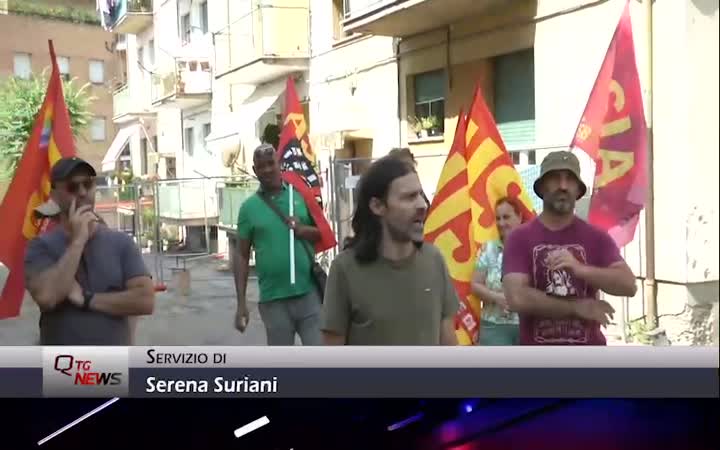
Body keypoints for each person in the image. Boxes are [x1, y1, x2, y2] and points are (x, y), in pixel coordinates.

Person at [502, 151, 637, 345]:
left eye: (570, 180)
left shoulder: (596, 238)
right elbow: (516, 297)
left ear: (578, 189)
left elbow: (628, 285)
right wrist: (576, 307)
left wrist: (580, 269)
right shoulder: (519, 238)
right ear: (542, 187)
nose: (563, 186)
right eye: (555, 178)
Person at [321, 155, 459, 345]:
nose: (422, 205)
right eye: (409, 197)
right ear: (377, 206)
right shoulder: (344, 269)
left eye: (420, 195)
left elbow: (448, 342)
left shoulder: (434, 260)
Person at [24, 157, 155, 345]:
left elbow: (145, 301)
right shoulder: (40, 246)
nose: (83, 192)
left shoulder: (121, 243)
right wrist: (78, 241)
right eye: (72, 187)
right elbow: (46, 297)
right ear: (54, 195)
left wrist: (87, 299)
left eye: (88, 184)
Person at [233, 143, 323, 345]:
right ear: (255, 171)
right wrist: (241, 303)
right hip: (273, 301)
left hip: (308, 294)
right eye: (261, 166)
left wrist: (303, 230)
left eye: (270, 163)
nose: (266, 169)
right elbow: (241, 255)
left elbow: (322, 234)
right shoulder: (248, 209)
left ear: (279, 164)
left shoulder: (299, 195)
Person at [471, 197, 525, 345]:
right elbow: (475, 285)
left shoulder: (534, 249)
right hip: (493, 329)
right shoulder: (488, 249)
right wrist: (496, 298)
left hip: (528, 328)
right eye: (498, 218)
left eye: (506, 217)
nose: (501, 223)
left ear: (519, 217)